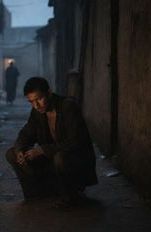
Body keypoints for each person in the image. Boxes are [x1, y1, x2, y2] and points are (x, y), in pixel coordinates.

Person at [6, 77, 97, 205]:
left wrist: (41, 150)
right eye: (31, 102)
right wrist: (20, 149)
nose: (36, 106)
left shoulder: (68, 107)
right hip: (52, 161)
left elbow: (74, 143)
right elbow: (26, 133)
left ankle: (70, 195)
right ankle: (34, 193)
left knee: (60, 157)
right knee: (11, 154)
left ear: (49, 93)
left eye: (39, 99)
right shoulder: (38, 111)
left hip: (76, 163)